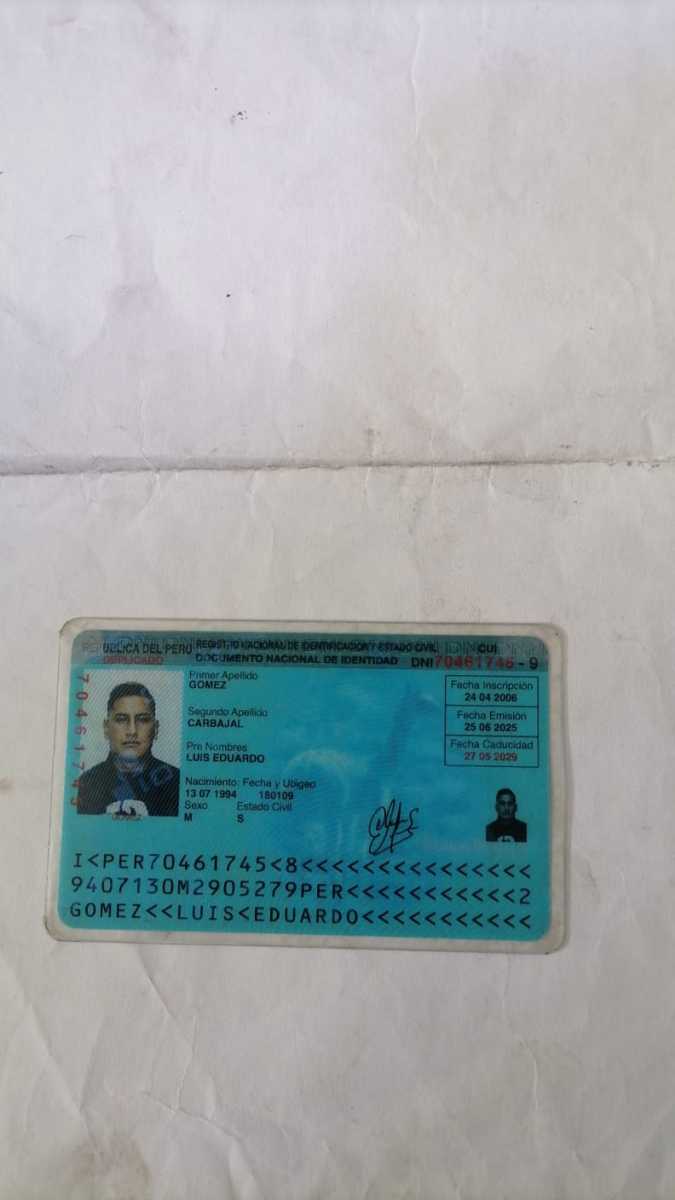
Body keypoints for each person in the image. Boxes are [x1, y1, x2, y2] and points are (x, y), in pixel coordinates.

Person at [77, 682, 180, 817]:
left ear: (155, 729)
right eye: (121, 719)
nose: (132, 731)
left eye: (142, 720)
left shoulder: (177, 783)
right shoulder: (86, 784)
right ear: (106, 728)